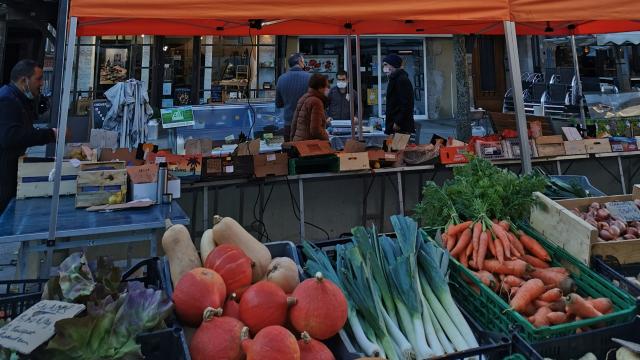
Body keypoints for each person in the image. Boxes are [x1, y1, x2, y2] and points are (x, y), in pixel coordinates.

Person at [0, 60, 57, 214]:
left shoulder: (15, 98)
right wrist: (51, 134)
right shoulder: (7, 99)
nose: (41, 84)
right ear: (24, 80)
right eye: (38, 79)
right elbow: (11, 136)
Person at [276, 53, 311, 141]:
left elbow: (278, 104)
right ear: (300, 62)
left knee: (289, 151)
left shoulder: (281, 79)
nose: (304, 63)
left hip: (288, 124)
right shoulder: (310, 78)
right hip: (306, 124)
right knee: (305, 151)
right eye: (303, 61)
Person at [290, 74, 331, 141]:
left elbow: (294, 123)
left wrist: (292, 141)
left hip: (298, 142)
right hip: (309, 146)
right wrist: (327, 137)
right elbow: (315, 130)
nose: (328, 89)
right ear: (320, 87)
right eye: (327, 86)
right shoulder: (316, 102)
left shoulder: (303, 98)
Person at [382, 54, 415, 135]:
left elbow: (406, 104)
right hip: (395, 125)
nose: (384, 68)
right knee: (391, 147)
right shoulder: (394, 79)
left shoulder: (401, 80)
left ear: (393, 65)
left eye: (386, 65)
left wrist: (398, 122)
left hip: (400, 127)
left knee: (398, 147)